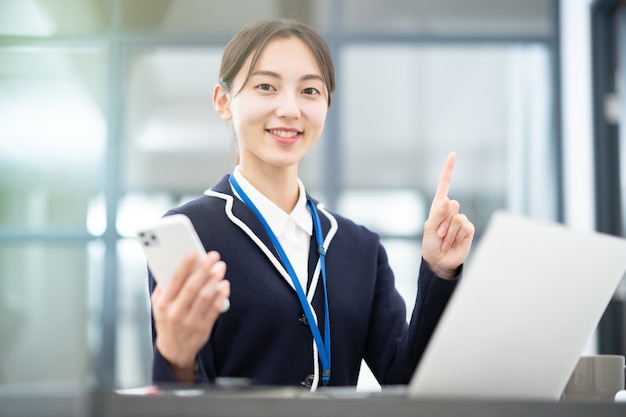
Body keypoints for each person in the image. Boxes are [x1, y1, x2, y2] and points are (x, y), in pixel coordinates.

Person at [149, 17, 475, 391]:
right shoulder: (188, 233)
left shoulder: (359, 248)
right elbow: (179, 395)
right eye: (266, 86)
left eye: (309, 91)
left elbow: (407, 380)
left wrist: (439, 271)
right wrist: (175, 356)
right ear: (224, 102)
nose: (290, 109)